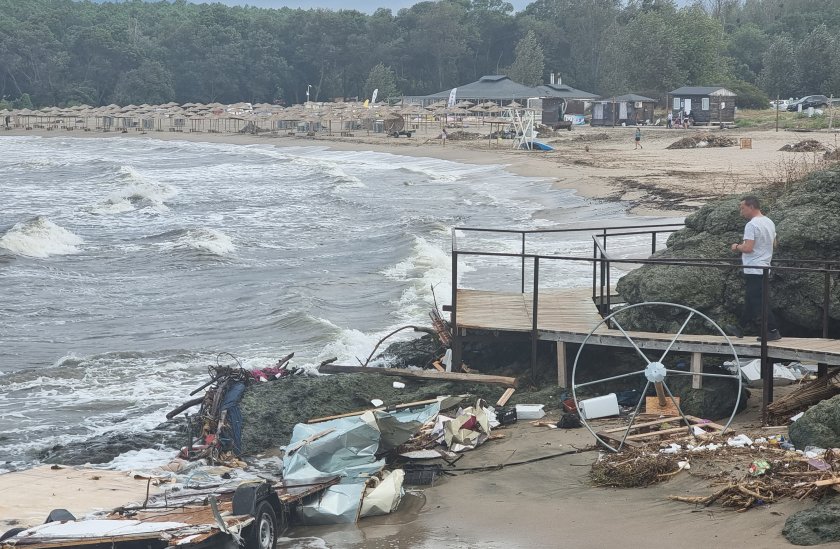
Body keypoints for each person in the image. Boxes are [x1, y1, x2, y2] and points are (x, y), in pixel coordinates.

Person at [729, 196, 781, 341]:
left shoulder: (751, 225)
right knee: (751, 299)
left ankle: (772, 330)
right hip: (764, 266)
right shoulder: (769, 222)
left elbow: (748, 248)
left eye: (742, 208)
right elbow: (774, 243)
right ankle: (740, 327)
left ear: (751, 207)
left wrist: (736, 247)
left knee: (758, 302)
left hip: (753, 268)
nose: (741, 212)